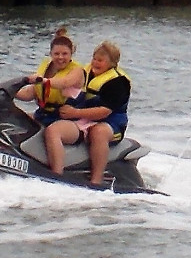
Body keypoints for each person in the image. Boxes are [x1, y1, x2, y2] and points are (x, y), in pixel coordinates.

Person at [43, 40, 130, 186]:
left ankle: (96, 180)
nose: (95, 62)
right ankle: (56, 173)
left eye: (100, 60)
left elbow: (104, 112)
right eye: (94, 59)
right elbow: (70, 88)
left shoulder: (118, 82)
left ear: (112, 63)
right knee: (53, 130)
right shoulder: (84, 72)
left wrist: (74, 112)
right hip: (81, 118)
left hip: (111, 121)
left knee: (98, 132)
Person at [15, 27, 86, 125]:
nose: (60, 57)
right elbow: (29, 93)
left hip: (68, 119)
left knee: (52, 133)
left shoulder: (77, 71)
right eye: (56, 54)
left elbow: (65, 83)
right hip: (44, 114)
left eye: (65, 54)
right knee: (16, 121)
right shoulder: (45, 67)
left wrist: (43, 80)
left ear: (71, 54)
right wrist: (9, 92)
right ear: (51, 54)